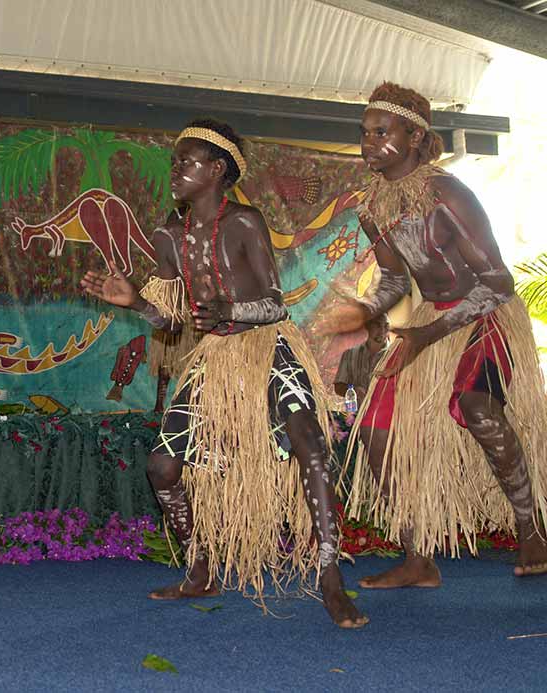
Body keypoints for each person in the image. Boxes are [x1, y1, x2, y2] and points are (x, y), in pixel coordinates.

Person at [80, 119, 366, 628]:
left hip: (266, 349)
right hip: (215, 358)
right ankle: (199, 571)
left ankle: (330, 576)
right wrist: (136, 302)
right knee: (162, 468)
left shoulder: (244, 223)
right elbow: (171, 321)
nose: (176, 171)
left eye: (186, 163)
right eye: (175, 162)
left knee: (309, 443)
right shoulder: (170, 234)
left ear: (216, 171)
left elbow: (275, 304)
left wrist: (235, 312)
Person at [324, 82, 547, 588]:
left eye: (382, 131)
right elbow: (398, 281)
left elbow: (497, 282)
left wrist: (426, 333)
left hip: (483, 315)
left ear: (415, 135)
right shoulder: (373, 209)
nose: (368, 142)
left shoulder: (449, 195)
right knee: (376, 433)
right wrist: (365, 310)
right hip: (429, 322)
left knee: (477, 405)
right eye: (364, 132)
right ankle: (417, 555)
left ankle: (531, 527)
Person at [147, 206, 201, 413]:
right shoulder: (177, 214)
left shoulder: (208, 215)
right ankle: (159, 404)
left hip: (196, 299)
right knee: (166, 354)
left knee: (197, 355)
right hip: (176, 298)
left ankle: (194, 403)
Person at [333, 313, 390, 406]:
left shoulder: (395, 355)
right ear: (367, 326)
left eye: (386, 326)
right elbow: (338, 387)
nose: (383, 330)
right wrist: (353, 390)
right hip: (357, 414)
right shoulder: (350, 354)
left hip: (384, 414)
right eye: (378, 325)